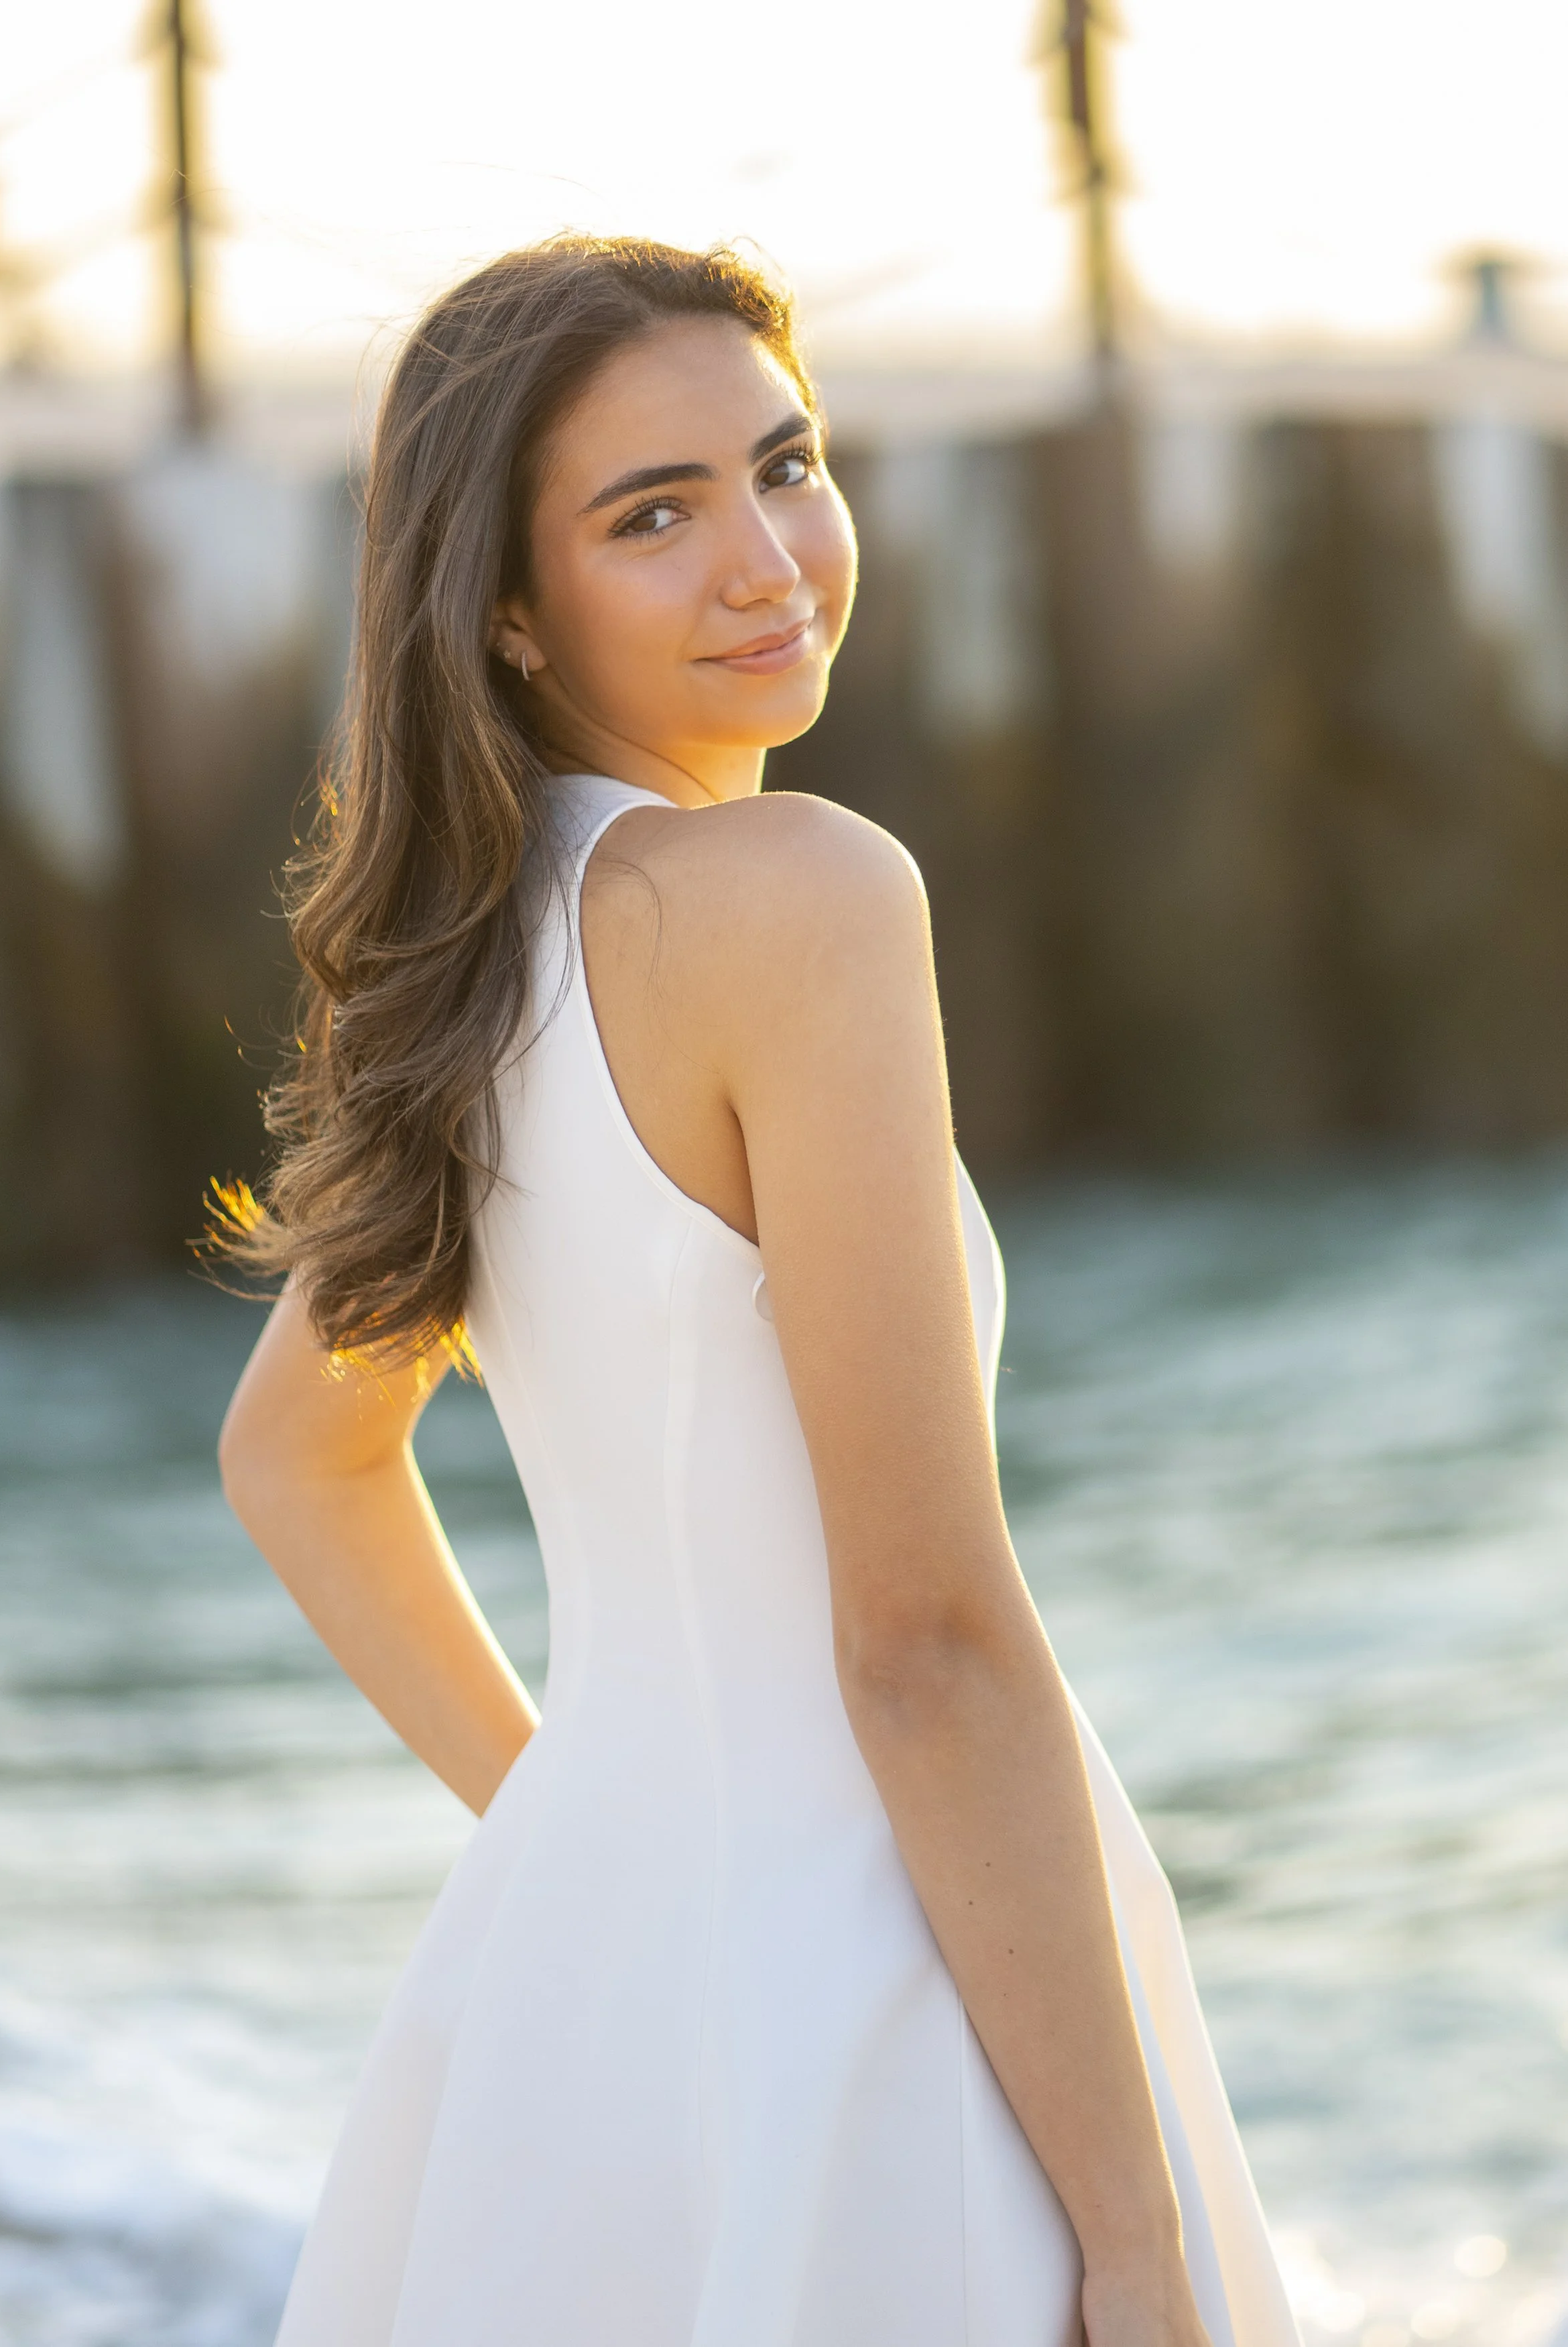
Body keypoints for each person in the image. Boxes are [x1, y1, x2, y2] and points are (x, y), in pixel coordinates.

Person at [215, 235, 1296, 2347]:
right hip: (880, 1981)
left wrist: (577, 1819)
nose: (768, 557)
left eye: (783, 465)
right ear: (506, 610)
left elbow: (291, 1460)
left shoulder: (465, 966)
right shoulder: (800, 896)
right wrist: (1133, 2228)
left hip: (583, 1988)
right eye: (654, 513)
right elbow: (924, 1638)